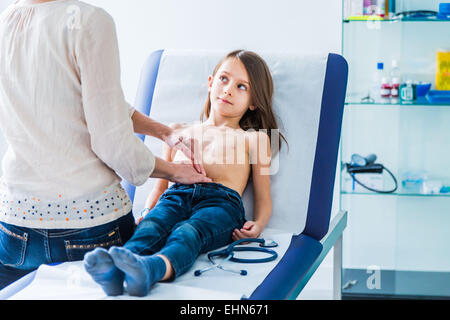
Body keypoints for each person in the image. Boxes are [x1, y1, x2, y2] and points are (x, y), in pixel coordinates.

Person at [0, 0, 209, 289]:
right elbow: (112, 141)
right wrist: (172, 171)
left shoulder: (7, 20)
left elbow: (76, 97)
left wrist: (163, 132)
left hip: (15, 225)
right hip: (88, 226)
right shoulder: (90, 20)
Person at [84, 49, 288, 297]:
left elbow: (264, 196)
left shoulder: (254, 140)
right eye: (223, 79)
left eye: (241, 87)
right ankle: (118, 269)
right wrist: (148, 209)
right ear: (211, 83)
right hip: (175, 196)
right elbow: (160, 187)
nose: (228, 90)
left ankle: (153, 269)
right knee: (151, 226)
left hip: (221, 203)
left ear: (254, 102)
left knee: (189, 232)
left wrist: (258, 224)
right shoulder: (177, 131)